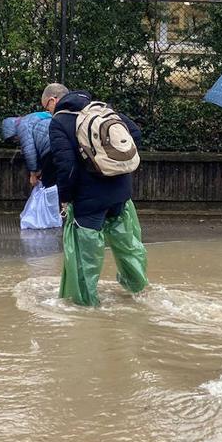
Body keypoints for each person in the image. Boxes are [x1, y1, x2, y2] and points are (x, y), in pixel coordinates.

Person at [49, 89, 148, 307]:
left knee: (86, 258)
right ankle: (139, 290)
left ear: (54, 101)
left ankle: (86, 307)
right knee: (127, 246)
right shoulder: (104, 111)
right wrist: (113, 167)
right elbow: (135, 136)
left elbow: (67, 168)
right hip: (121, 193)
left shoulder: (60, 122)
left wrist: (65, 198)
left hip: (89, 199)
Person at [0, 110, 55, 188]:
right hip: (60, 143)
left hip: (49, 148)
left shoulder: (22, 126)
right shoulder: (32, 117)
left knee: (49, 184)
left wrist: (33, 174)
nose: (16, 141)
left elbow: (30, 152)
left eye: (14, 138)